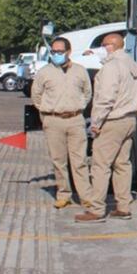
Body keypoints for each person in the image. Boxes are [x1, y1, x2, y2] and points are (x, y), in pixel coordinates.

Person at [76, 33, 137, 223]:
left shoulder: (112, 67)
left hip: (113, 121)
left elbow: (105, 98)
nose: (100, 51)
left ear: (110, 46)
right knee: (122, 164)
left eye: (102, 46)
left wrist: (96, 123)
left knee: (100, 166)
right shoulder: (131, 64)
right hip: (129, 119)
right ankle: (123, 207)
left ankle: (96, 210)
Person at [30, 36, 92, 209]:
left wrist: (78, 106)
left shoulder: (80, 71)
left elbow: (87, 93)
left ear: (68, 52)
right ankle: (63, 194)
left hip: (75, 119)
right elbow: (36, 95)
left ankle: (85, 195)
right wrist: (45, 111)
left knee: (79, 160)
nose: (56, 54)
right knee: (58, 160)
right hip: (53, 120)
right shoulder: (44, 72)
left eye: (60, 51)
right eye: (54, 51)